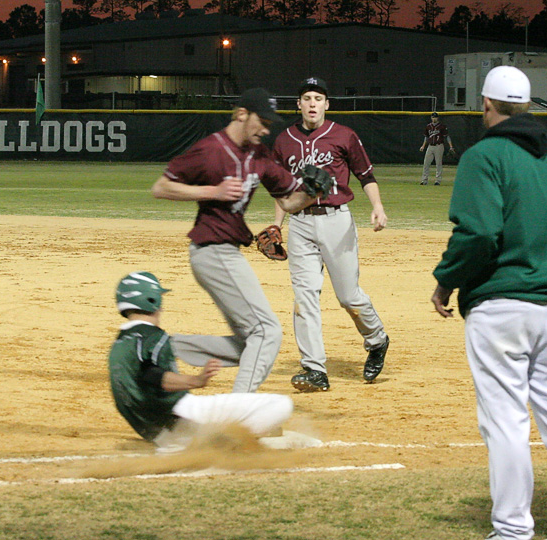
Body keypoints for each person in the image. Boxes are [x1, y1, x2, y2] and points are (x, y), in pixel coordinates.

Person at [430, 66, 547, 540]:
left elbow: (479, 233)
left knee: (506, 421)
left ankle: (513, 529)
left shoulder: (484, 156)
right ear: (529, 106)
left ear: (486, 106)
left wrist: (445, 282)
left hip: (499, 309)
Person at [151, 88, 321, 393]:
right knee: (267, 332)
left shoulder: (259, 155)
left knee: (251, 345)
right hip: (212, 250)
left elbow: (289, 204)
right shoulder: (210, 150)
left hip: (226, 253)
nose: (266, 130)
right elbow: (162, 187)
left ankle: (166, 346)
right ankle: (238, 411)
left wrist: (313, 192)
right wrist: (211, 192)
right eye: (262, 122)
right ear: (242, 114)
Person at [271, 76, 390, 392]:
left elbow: (366, 175)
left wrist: (377, 206)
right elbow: (282, 192)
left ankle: (376, 339)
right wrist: (277, 225)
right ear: (298, 104)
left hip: (336, 221)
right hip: (299, 223)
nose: (312, 103)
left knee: (348, 296)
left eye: (318, 98)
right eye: (307, 97)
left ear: (326, 104)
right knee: (304, 296)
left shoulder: (344, 136)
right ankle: (314, 369)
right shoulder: (284, 141)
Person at [108, 271, 293, 452]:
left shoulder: (118, 345)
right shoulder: (151, 336)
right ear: (151, 300)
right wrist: (196, 381)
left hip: (160, 435)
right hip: (184, 416)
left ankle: (198, 446)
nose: (161, 308)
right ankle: (226, 444)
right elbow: (150, 373)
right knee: (281, 404)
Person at [419, 111, 455, 185]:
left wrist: (451, 146)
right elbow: (426, 137)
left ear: (437, 118)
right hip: (430, 146)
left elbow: (447, 136)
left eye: (435, 117)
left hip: (439, 146)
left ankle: (437, 181)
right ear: (431, 118)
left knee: (438, 164)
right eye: (433, 117)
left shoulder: (442, 126)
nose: (434, 118)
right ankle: (424, 180)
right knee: (426, 163)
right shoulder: (428, 126)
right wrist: (423, 146)